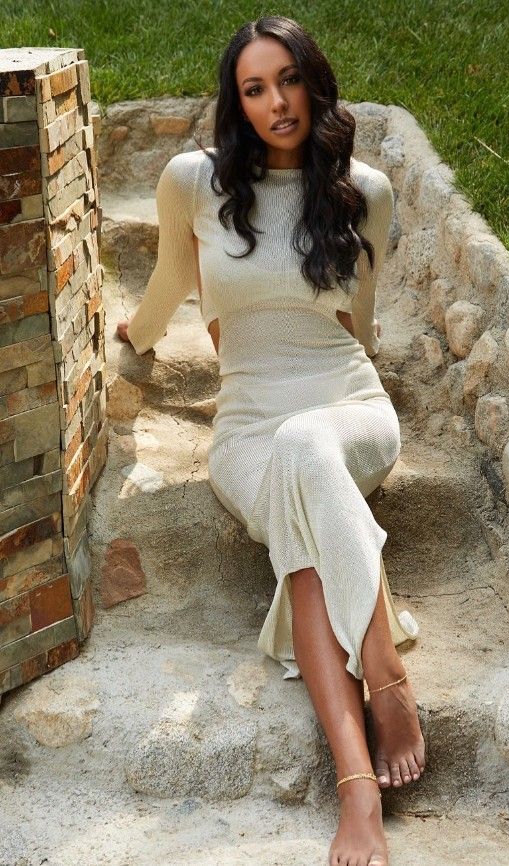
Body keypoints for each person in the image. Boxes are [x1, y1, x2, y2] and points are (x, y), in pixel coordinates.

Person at [117, 15, 426, 866]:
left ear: (313, 82)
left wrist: (350, 381)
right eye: (254, 88)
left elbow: (361, 323)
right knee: (296, 466)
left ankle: (360, 774)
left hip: (347, 405)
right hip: (251, 428)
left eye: (288, 79)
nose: (276, 102)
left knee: (310, 447)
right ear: (237, 101)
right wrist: (136, 338)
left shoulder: (365, 191)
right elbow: (171, 285)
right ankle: (379, 700)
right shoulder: (193, 182)